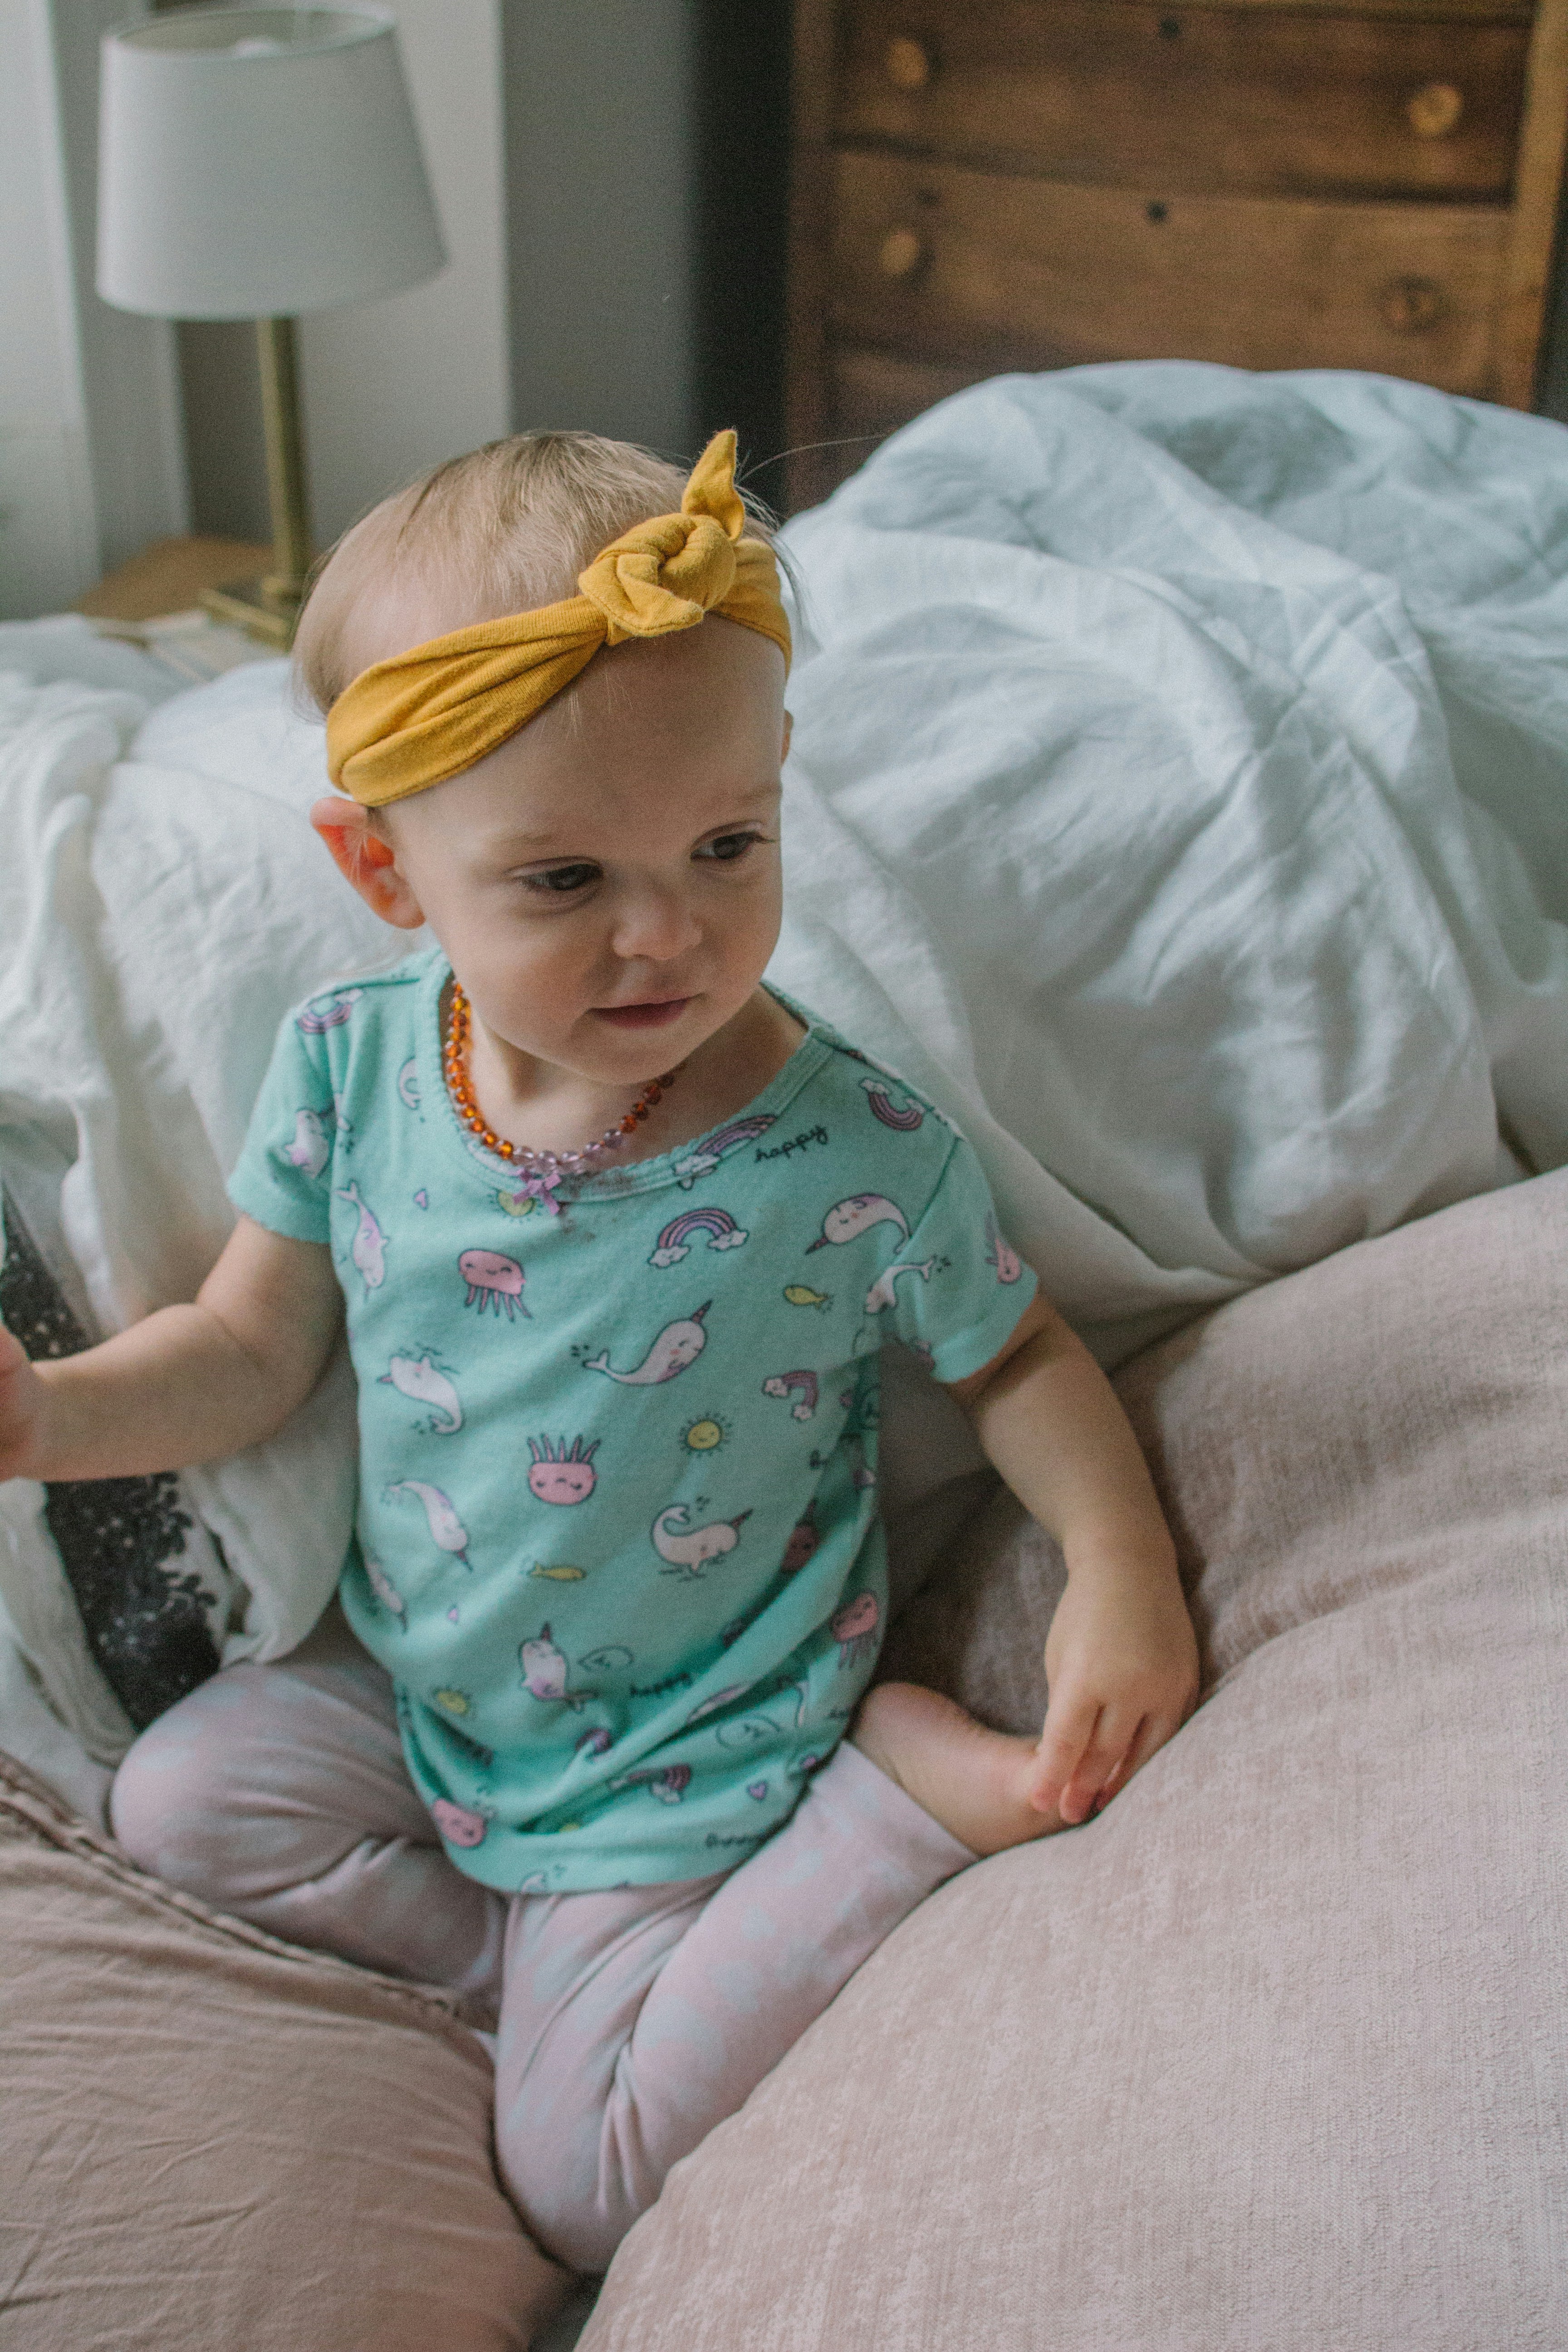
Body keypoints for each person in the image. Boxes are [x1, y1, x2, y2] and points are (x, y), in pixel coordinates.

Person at [0, 430, 1198, 2274]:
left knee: (579, 2177)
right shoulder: (352, 1064)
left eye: (727, 847)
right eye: (563, 881)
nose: (670, 933)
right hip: (441, 1694)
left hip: (697, 1739)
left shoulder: (852, 1154)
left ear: (778, 787)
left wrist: (1120, 1573)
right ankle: (512, 1954)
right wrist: (49, 1420)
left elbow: (1021, 1356)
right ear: (385, 874)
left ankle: (885, 1815)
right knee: (176, 1804)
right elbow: (248, 1353)